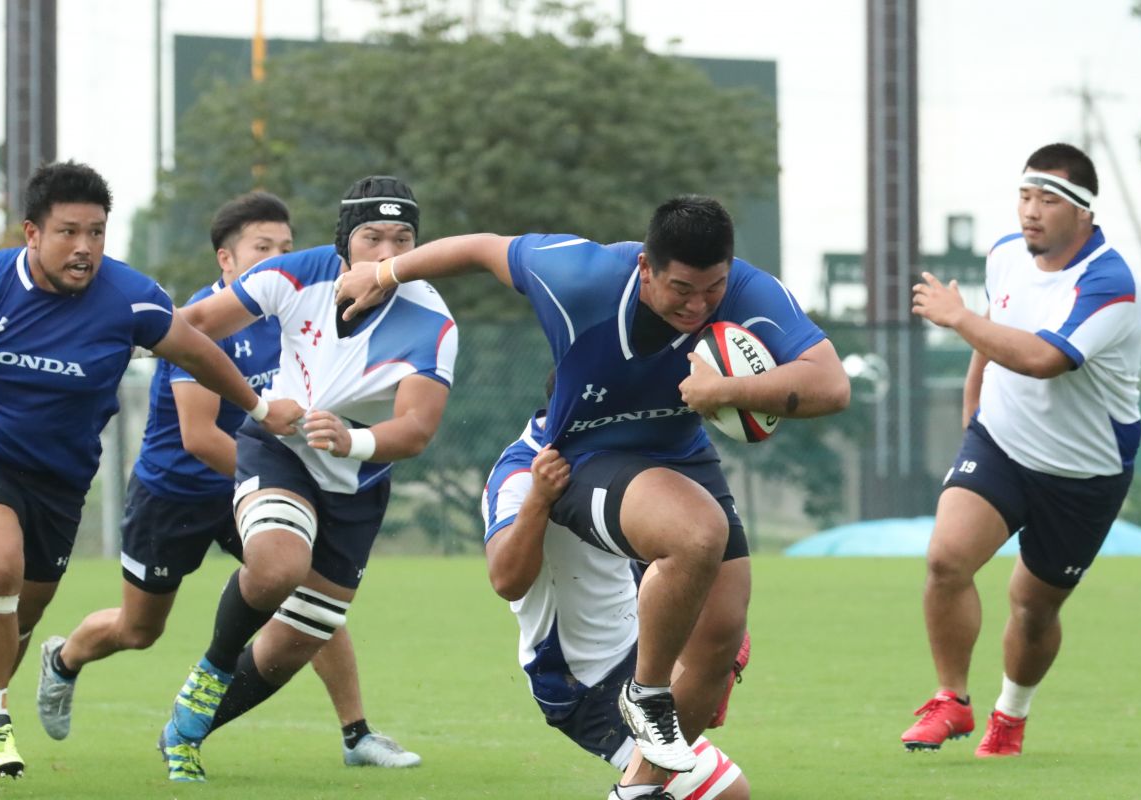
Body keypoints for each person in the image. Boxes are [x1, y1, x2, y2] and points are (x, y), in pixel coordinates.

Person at [337, 196, 849, 798]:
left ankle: (637, 788)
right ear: (645, 268)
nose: (698, 304)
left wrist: (730, 389)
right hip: (584, 453)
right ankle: (647, 693)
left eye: (712, 288)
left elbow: (831, 384)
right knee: (695, 535)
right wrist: (384, 272)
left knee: (723, 634)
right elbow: (481, 247)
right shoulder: (577, 277)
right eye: (681, 288)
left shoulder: (749, 291)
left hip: (679, 454)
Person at [33, 191, 419, 768]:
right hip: (178, 492)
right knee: (139, 629)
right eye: (263, 249)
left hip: (263, 482)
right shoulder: (196, 322)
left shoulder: (293, 310)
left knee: (307, 592)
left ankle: (356, 734)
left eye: (285, 248)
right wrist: (273, 482)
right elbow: (199, 436)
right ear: (226, 261)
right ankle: (64, 659)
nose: (278, 260)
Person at [0, 162, 301, 781]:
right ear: (30, 234)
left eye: (96, 233)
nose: (85, 248)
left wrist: (259, 409)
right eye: (68, 232)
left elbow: (200, 353)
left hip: (62, 481)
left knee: (21, 617)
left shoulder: (132, 298)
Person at [156, 175, 457, 782]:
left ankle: (185, 730)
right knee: (275, 566)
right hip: (280, 451)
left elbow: (418, 430)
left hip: (359, 484)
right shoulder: (297, 273)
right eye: (372, 237)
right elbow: (195, 323)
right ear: (345, 241)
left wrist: (354, 440)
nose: (387, 254)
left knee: (293, 645)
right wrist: (125, 336)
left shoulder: (432, 319)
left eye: (403, 239)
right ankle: (209, 673)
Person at [906, 143, 1141, 757]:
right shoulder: (1007, 255)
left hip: (1083, 474)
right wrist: (973, 410)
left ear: (1085, 212)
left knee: (1033, 608)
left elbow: (1042, 358)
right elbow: (998, 327)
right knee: (945, 560)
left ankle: (1010, 716)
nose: (1031, 211)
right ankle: (951, 699)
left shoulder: (1109, 283)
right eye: (1025, 196)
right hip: (1003, 444)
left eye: (1049, 200)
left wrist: (957, 320)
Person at [483, 408, 751, 800]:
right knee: (724, 792)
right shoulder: (523, 473)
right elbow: (506, 580)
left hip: (639, 654)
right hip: (585, 677)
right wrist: (539, 500)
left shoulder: (617, 452)